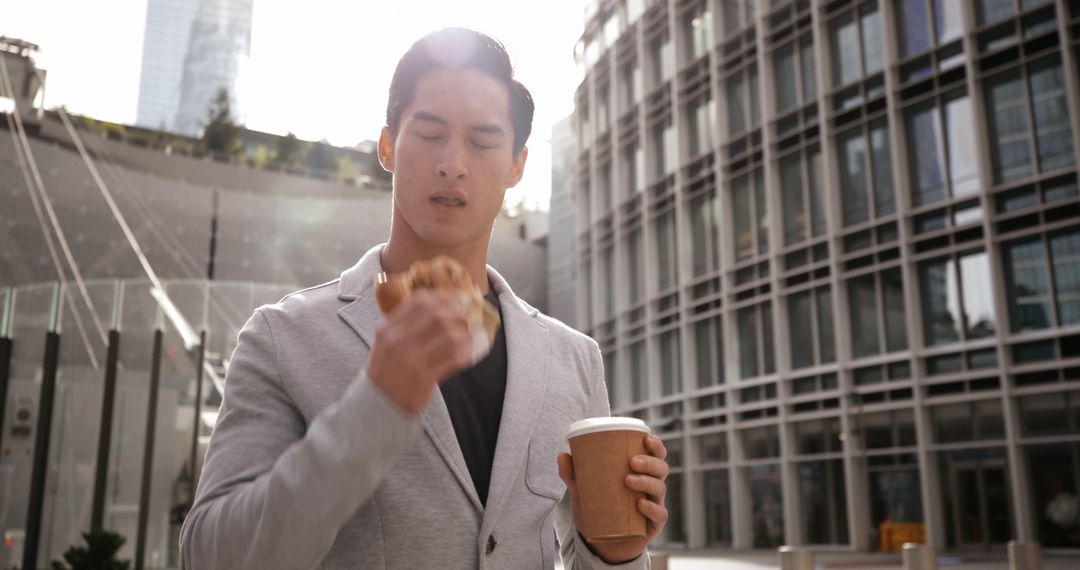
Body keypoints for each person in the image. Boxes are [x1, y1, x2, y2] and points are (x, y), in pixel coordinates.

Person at [179, 28, 669, 569]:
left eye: (483, 142)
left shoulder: (573, 360)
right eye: (430, 133)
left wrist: (614, 554)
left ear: (516, 166)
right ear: (388, 145)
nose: (453, 163)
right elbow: (210, 557)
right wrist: (375, 407)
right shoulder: (282, 338)